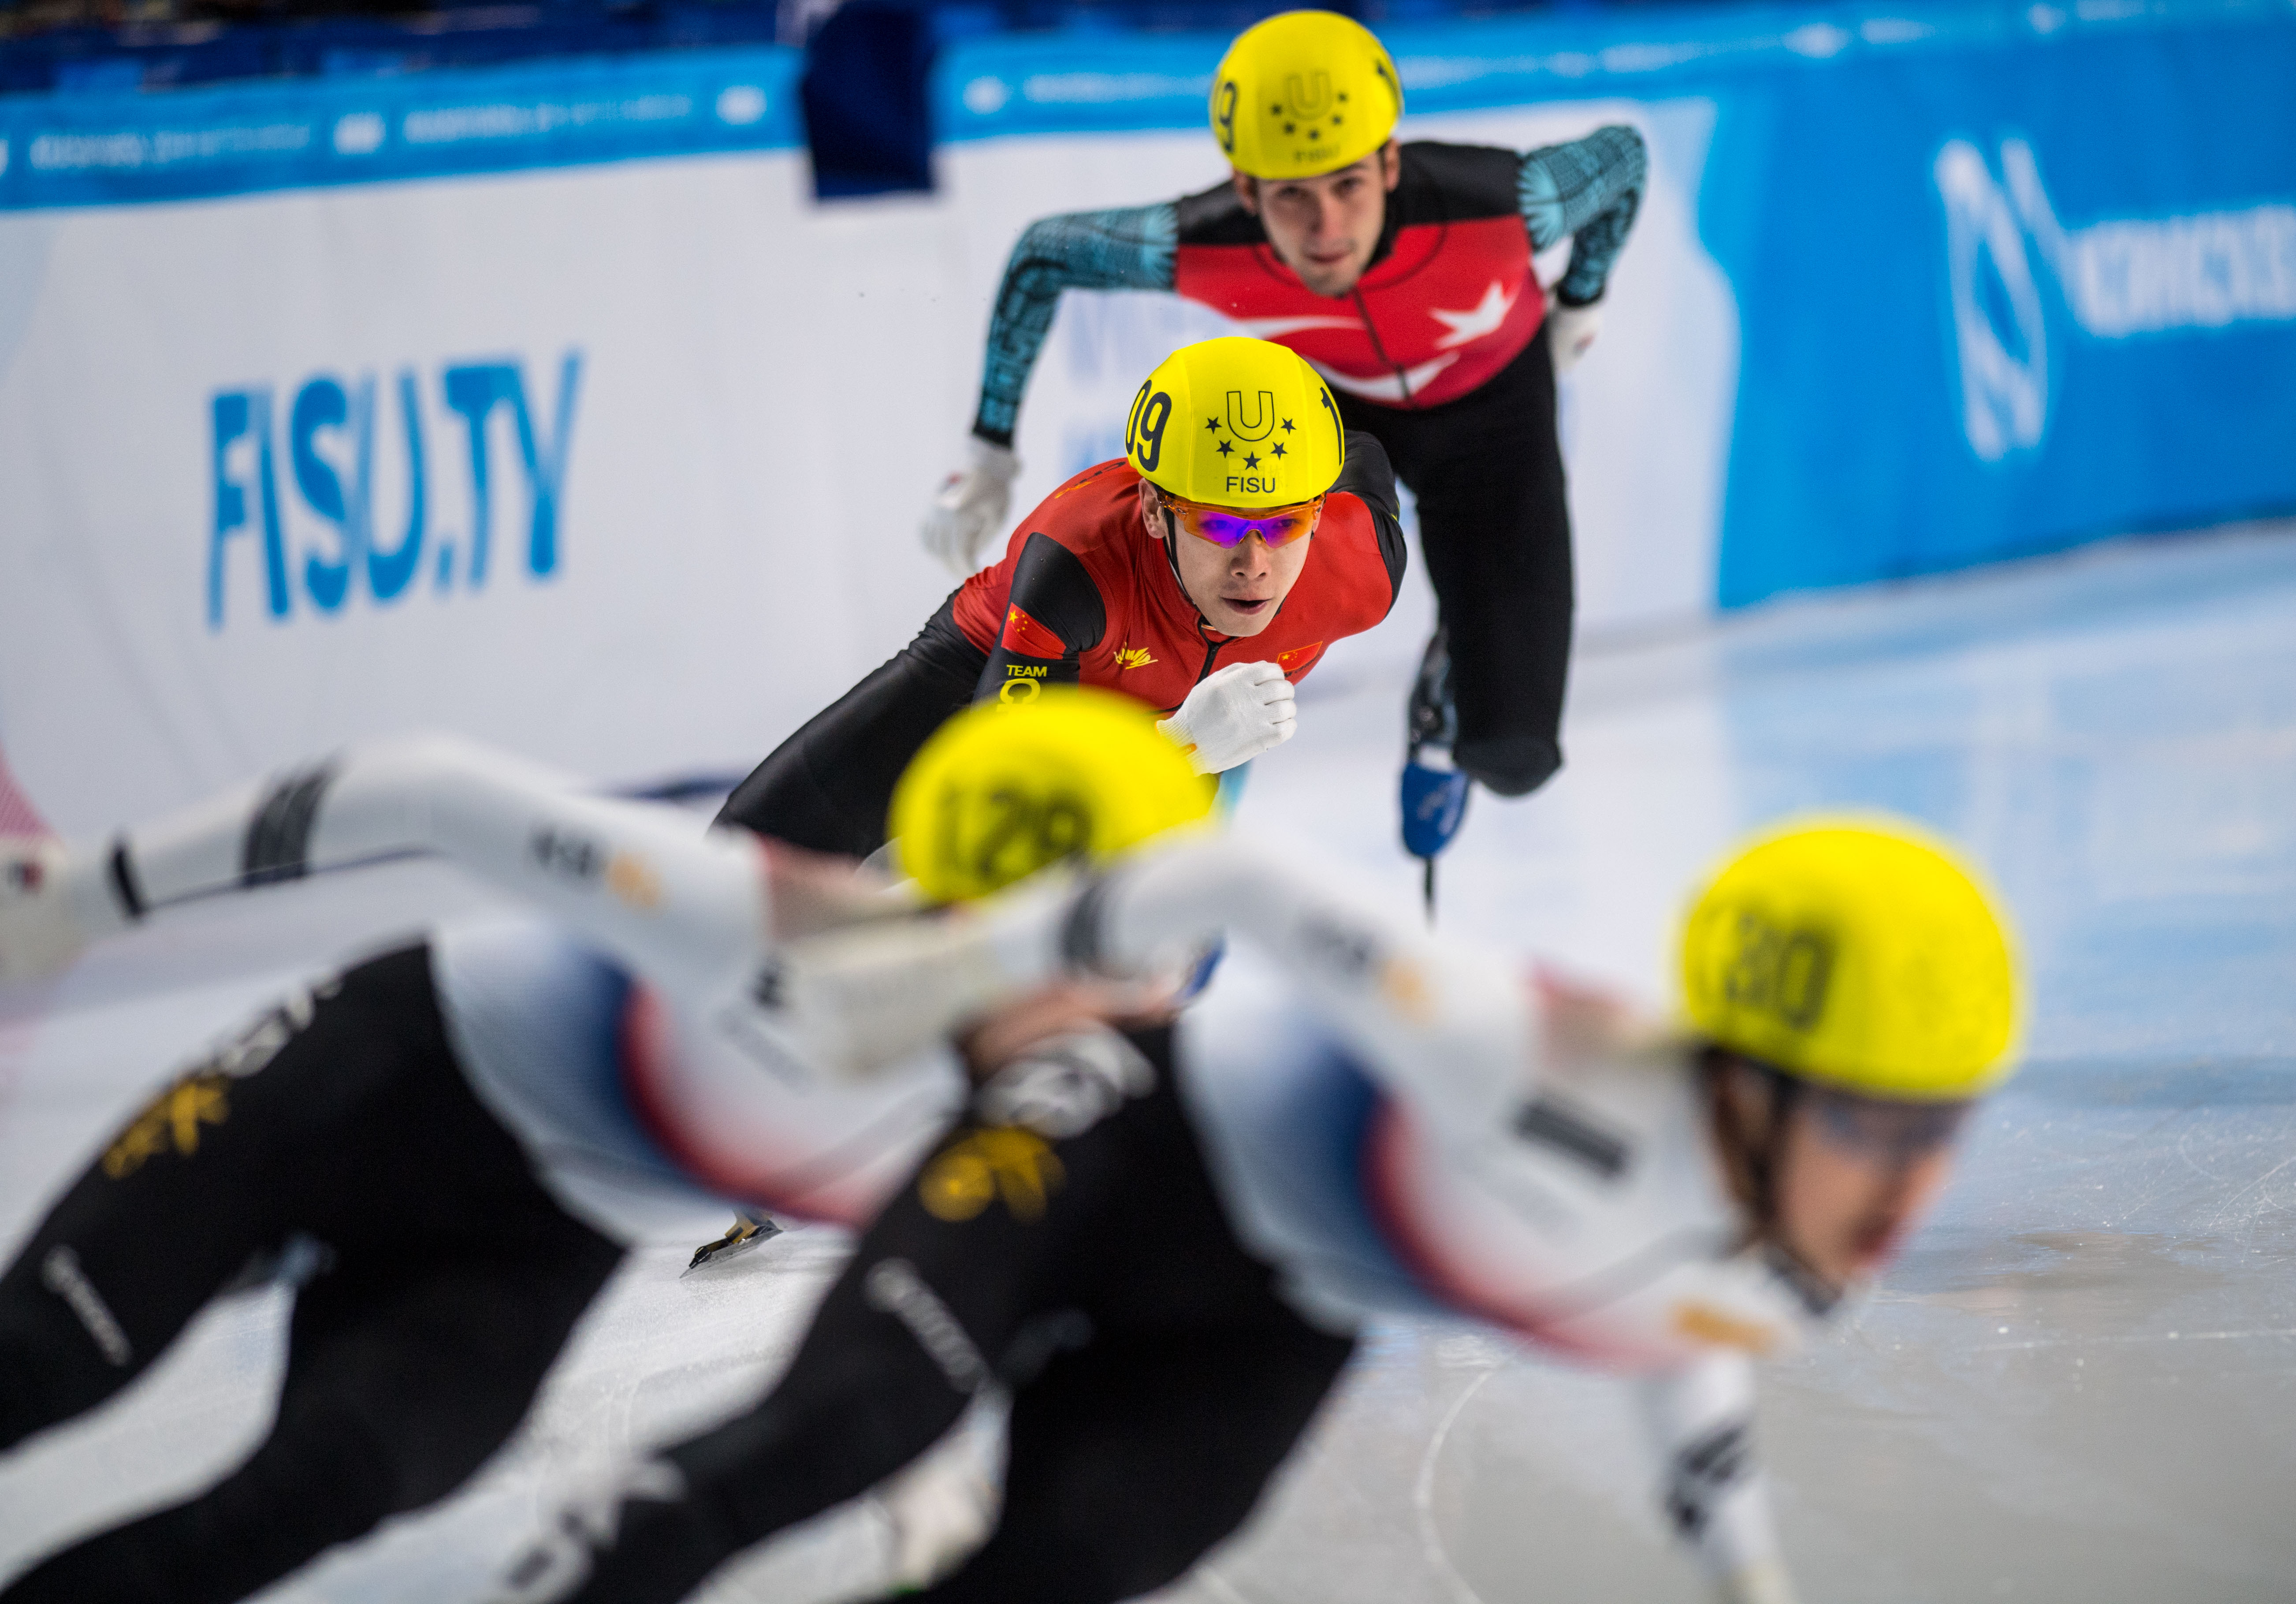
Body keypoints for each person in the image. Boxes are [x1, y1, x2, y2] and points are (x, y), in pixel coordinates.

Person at [494, 789, 2022, 1604]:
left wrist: (1746, 1576)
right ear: (1747, 1091)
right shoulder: (1527, 1058)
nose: (1911, 1186)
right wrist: (959, 976)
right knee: (844, 1430)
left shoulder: (1788, 1239)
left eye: (1942, 1129)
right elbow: (1249, 888)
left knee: (1081, 1569)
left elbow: (1673, 1293)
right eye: (1878, 1125)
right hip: (1112, 1149)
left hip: (1279, 1301)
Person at [0, 694, 1210, 1604]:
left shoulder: (1020, 1122)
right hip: (375, 1081)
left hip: (541, 1231)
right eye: (1127, 975)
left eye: (1170, 971)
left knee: (317, 1493)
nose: (1145, 1023)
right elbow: (424, 792)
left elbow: (915, 1328)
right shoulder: (767, 923)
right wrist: (84, 896)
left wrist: (933, 1499)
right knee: (39, 1360)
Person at [922, 9, 1649, 878]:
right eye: (1290, 198)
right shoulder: (1199, 239)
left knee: (1515, 754)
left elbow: (1623, 159)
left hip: (1494, 415)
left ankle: (1452, 679)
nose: (1326, 229)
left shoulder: (1509, 201)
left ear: (1388, 162)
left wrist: (1581, 299)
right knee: (1242, 588)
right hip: (1337, 425)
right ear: (1244, 191)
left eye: (1348, 186)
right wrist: (990, 451)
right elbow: (1044, 258)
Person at [719, 334, 1405, 857]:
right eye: (1217, 523)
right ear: (1152, 510)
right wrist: (1183, 744)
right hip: (999, 668)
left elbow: (1367, 448)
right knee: (748, 852)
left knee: (1128, 937)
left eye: (1283, 524)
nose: (1253, 564)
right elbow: (1005, 773)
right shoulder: (1077, 561)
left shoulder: (1361, 568)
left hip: (1186, 722)